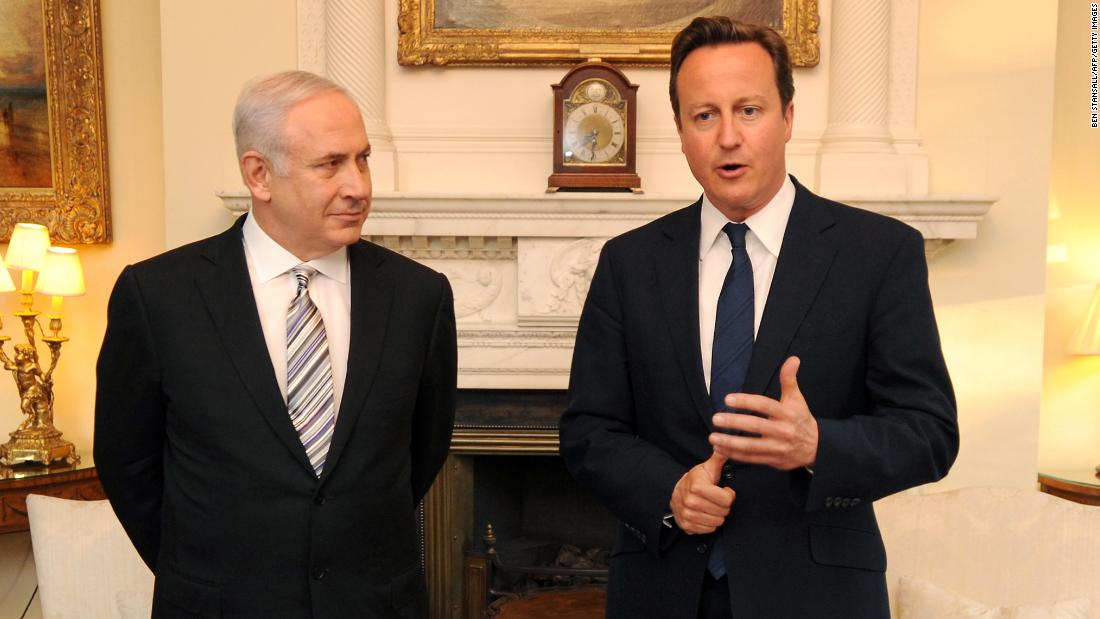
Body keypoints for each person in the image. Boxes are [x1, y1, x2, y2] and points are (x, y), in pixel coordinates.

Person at [559, 17, 958, 619]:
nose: (727, 137)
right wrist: (669, 492)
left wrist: (819, 443)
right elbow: (589, 431)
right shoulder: (628, 262)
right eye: (704, 115)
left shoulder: (877, 254)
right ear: (680, 129)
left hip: (817, 597)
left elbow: (929, 433)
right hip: (662, 590)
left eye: (749, 110)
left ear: (788, 116)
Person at [94, 71, 456, 618]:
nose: (358, 186)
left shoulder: (418, 297)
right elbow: (127, 464)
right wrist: (205, 571)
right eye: (330, 164)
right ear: (259, 175)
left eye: (362, 159)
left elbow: (422, 451)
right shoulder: (158, 296)